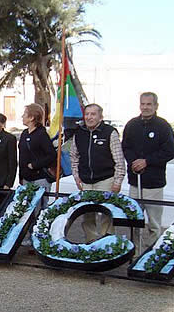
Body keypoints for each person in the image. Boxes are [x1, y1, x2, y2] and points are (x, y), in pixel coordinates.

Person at [122, 92, 174, 247]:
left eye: (149, 104)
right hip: (135, 182)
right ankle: (135, 254)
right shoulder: (132, 125)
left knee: (154, 224)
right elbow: (125, 147)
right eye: (143, 104)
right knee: (134, 221)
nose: (145, 107)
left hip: (154, 184)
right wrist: (134, 161)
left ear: (155, 106)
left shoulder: (163, 126)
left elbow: (170, 151)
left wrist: (147, 161)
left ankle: (150, 256)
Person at [70, 103, 126, 242]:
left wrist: (117, 182)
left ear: (100, 117)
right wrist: (77, 177)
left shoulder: (110, 133)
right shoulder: (79, 133)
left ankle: (107, 243)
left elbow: (119, 160)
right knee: (87, 215)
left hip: (106, 180)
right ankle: (92, 243)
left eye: (93, 114)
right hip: (86, 182)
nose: (89, 117)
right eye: (87, 114)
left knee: (107, 214)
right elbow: (74, 156)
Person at [18, 103, 58, 203]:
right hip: (26, 178)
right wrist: (21, 176)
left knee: (39, 207)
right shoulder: (24, 133)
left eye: (24, 114)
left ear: (31, 118)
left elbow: (52, 155)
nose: (22, 116)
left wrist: (35, 165)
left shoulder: (41, 134)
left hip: (39, 178)